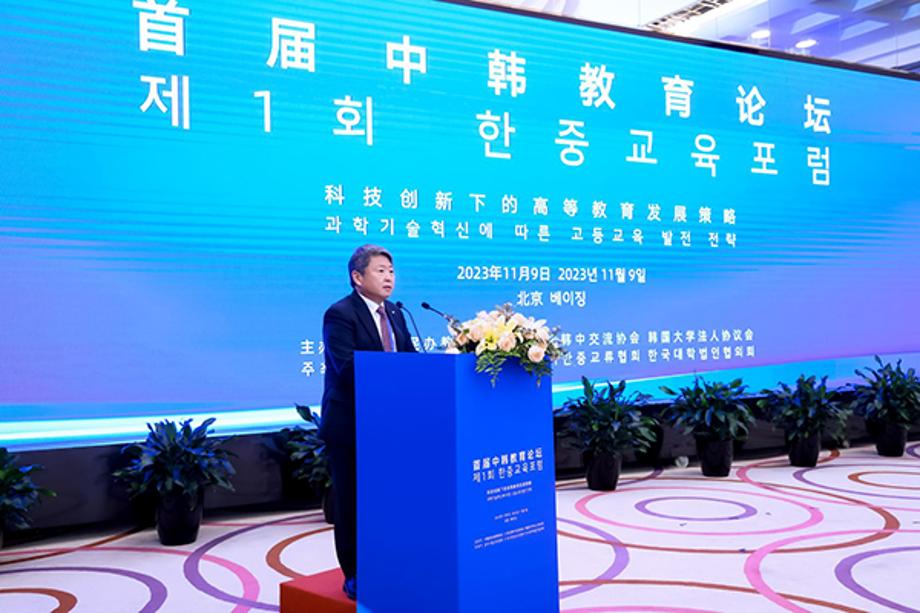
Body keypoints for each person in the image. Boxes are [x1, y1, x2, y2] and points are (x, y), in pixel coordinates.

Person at [319, 244, 416, 601]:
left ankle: (390, 561)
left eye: (391, 271)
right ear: (357, 277)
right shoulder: (340, 313)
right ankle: (354, 573)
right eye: (380, 271)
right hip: (352, 425)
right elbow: (347, 367)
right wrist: (398, 376)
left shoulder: (396, 313)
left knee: (390, 500)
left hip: (391, 427)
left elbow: (410, 359)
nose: (389, 277)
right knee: (352, 503)